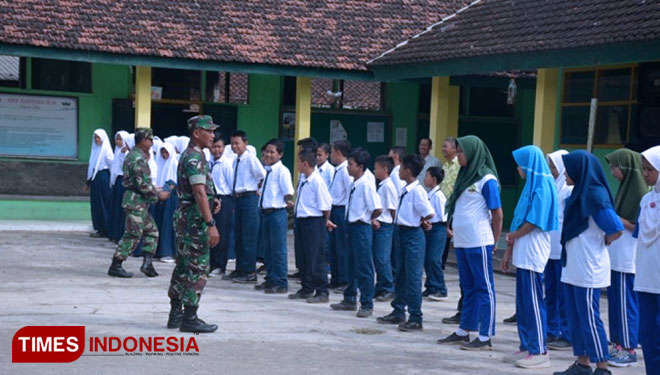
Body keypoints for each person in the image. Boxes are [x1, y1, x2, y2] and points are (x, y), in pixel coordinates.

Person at [553, 150, 623, 375]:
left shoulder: (594, 195)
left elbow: (615, 228)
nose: (565, 173)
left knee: (590, 319)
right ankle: (582, 363)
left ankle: (602, 367)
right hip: (573, 265)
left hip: (589, 267)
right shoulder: (577, 193)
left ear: (579, 170)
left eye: (568, 168)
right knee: (576, 317)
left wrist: (604, 241)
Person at [437, 135, 502, 351]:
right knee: (468, 287)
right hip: (463, 242)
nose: (458, 155)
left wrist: (494, 240)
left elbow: (497, 213)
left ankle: (485, 336)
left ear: (473, 153)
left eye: (462, 151)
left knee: (484, 288)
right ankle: (464, 330)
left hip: (479, 241)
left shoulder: (487, 179)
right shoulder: (465, 176)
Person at [501, 145, 559, 369]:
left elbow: (535, 221)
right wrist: (509, 248)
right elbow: (519, 218)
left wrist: (513, 235)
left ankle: (539, 349)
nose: (518, 168)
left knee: (534, 301)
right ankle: (526, 345)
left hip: (533, 250)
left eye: (520, 164)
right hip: (523, 250)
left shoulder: (543, 187)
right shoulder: (531, 186)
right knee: (523, 302)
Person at [167, 115, 221, 333]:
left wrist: (212, 199)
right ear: (196, 133)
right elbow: (198, 192)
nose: (213, 135)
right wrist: (210, 222)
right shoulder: (194, 158)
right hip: (195, 220)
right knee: (198, 267)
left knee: (182, 265)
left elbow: (201, 191)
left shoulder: (194, 155)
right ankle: (189, 317)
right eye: (209, 131)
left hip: (187, 216)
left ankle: (175, 314)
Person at [376, 154, 434, 332]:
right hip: (400, 233)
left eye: (401, 168)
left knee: (413, 277)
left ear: (408, 171)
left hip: (412, 236)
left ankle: (416, 317)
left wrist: (422, 220)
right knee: (400, 274)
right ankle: (398, 310)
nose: (398, 171)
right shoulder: (405, 188)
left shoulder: (417, 191)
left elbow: (429, 212)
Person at [107, 128, 170, 278]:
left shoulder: (136, 155)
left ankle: (147, 264)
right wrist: (159, 195)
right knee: (133, 234)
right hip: (136, 202)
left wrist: (154, 191)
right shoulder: (137, 158)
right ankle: (116, 264)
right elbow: (143, 184)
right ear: (143, 141)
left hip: (140, 202)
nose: (152, 143)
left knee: (152, 231)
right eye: (150, 140)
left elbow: (142, 182)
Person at [605, 148, 646, 367]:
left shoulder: (640, 195)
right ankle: (619, 343)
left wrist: (617, 219)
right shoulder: (624, 189)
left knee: (624, 303)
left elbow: (637, 228)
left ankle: (628, 347)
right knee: (616, 302)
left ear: (627, 167)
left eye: (615, 166)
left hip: (626, 258)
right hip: (617, 254)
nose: (612, 171)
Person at [331, 148, 382, 317]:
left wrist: (366, 219)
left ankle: (367, 303)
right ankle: (349, 298)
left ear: (360, 166)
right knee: (350, 264)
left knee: (364, 266)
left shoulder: (367, 184)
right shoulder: (355, 183)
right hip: (351, 226)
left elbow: (376, 208)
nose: (348, 168)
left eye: (351, 165)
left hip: (361, 227)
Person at [288, 149, 333, 303]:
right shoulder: (303, 179)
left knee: (315, 257)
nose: (297, 165)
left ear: (305, 163)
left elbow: (325, 206)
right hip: (301, 220)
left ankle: (322, 291)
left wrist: (324, 221)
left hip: (313, 221)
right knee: (302, 256)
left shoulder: (317, 181)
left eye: (299, 162)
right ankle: (306, 287)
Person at [225, 130, 266, 283]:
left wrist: (259, 191)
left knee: (249, 236)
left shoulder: (251, 159)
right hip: (238, 198)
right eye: (233, 143)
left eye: (238, 143)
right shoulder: (236, 160)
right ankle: (240, 268)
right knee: (239, 235)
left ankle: (250, 271)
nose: (235, 146)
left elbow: (263, 175)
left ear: (245, 143)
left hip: (249, 198)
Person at [255, 139, 294, 294]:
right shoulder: (267, 170)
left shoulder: (282, 171)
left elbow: (288, 193)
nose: (268, 155)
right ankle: (271, 279)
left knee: (278, 249)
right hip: (265, 213)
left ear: (280, 154)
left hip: (277, 213)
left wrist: (286, 205)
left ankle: (280, 281)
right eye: (267, 152)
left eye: (273, 152)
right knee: (268, 249)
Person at [634, 145, 660, 374]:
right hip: (645, 279)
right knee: (648, 336)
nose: (645, 174)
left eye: (650, 169)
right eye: (643, 169)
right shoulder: (645, 200)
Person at [545, 150, 573, 351]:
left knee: (563, 294)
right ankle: (551, 329)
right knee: (551, 291)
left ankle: (566, 331)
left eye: (554, 166)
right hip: (550, 247)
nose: (552, 170)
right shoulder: (553, 186)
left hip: (562, 248)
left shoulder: (569, 190)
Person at [439, 136, 463, 324]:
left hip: (454, 215)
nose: (443, 149)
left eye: (446, 147)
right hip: (444, 213)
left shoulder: (460, 167)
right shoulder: (445, 166)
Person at [328, 140, 353, 291]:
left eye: (332, 152)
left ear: (338, 153)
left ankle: (343, 278)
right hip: (334, 208)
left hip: (342, 209)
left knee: (341, 246)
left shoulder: (346, 170)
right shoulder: (338, 169)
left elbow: (350, 191)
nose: (331, 155)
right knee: (333, 246)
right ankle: (336, 277)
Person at [372, 155, 398, 302]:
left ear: (385, 169)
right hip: (379, 225)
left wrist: (393, 227)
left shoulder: (388, 186)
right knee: (377, 258)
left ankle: (388, 287)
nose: (374, 171)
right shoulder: (382, 185)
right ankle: (381, 286)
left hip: (386, 226)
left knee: (382, 258)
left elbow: (392, 209)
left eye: (376, 168)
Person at [209, 135, 234, 276]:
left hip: (224, 199)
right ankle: (211, 263)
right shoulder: (209, 163)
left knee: (222, 233)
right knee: (210, 232)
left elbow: (231, 185)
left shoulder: (227, 164)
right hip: (211, 200)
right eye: (214, 147)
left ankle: (220, 265)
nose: (217, 150)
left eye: (219, 147)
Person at [423, 166, 449, 301]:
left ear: (433, 179)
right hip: (429, 228)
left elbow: (444, 216)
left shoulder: (438, 195)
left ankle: (441, 287)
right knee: (427, 259)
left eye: (427, 176)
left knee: (434, 258)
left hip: (438, 228)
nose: (424, 178)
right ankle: (431, 286)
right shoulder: (429, 194)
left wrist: (448, 229)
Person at [86, 129, 114, 238]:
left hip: (103, 178)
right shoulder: (95, 150)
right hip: (95, 179)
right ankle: (99, 228)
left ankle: (106, 229)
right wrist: (88, 181)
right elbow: (92, 166)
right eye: (95, 137)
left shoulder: (106, 150)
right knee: (96, 204)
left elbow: (112, 166)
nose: (97, 140)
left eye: (99, 137)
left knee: (103, 204)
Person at [154, 142, 179, 263]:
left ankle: (168, 252)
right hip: (159, 199)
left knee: (168, 225)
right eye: (162, 152)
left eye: (166, 152)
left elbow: (175, 182)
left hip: (171, 200)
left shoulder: (174, 163)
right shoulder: (159, 164)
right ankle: (158, 251)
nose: (164, 155)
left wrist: (167, 190)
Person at [108, 130, 132, 243]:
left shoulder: (127, 153)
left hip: (123, 182)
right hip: (117, 182)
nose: (118, 142)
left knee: (122, 210)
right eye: (116, 139)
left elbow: (123, 168)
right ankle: (114, 233)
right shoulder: (117, 151)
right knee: (116, 209)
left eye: (120, 139)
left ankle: (120, 234)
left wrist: (123, 154)